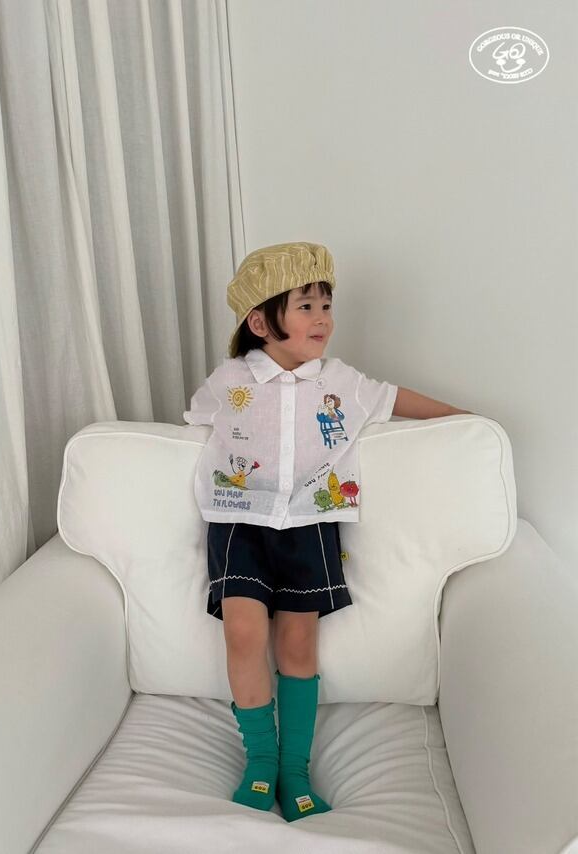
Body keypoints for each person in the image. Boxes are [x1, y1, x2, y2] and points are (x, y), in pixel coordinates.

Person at [183, 241, 472, 822]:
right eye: (306, 307)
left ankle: (295, 770)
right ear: (260, 322)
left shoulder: (342, 381)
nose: (322, 319)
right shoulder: (229, 380)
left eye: (326, 306)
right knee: (243, 632)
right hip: (240, 520)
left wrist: (464, 419)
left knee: (298, 643)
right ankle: (261, 761)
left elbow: (397, 398)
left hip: (310, 525)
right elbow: (193, 426)